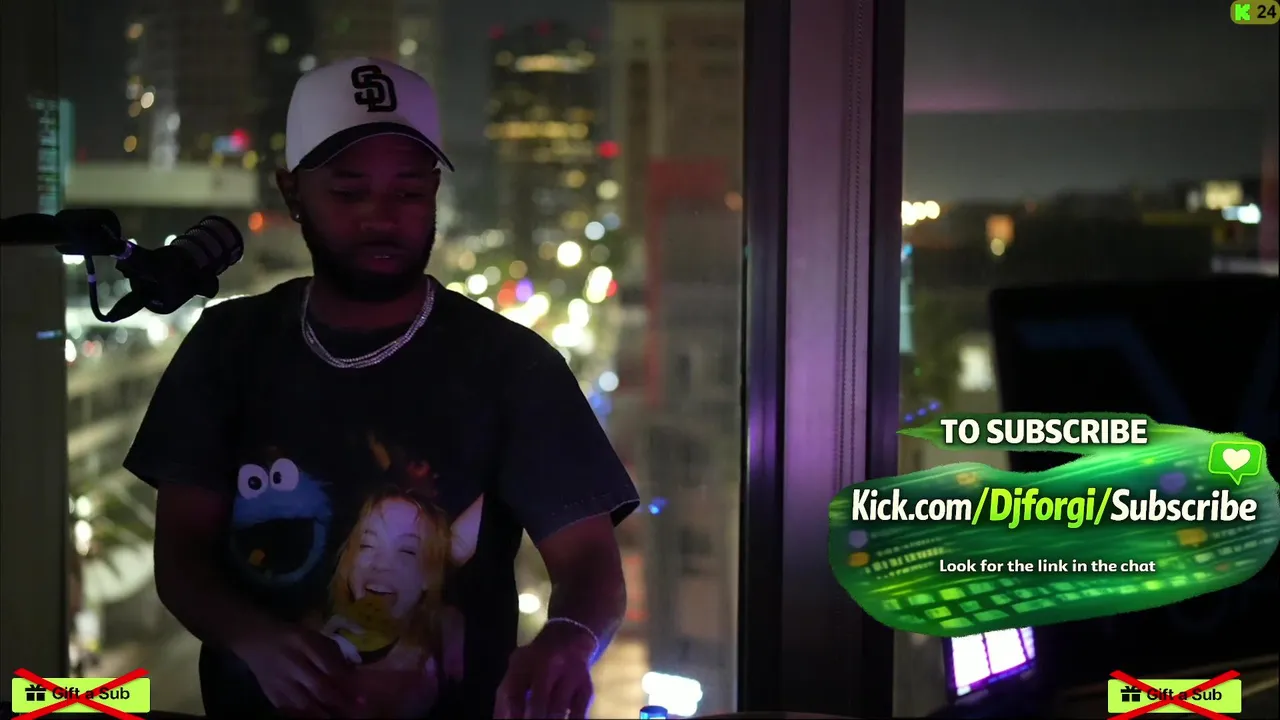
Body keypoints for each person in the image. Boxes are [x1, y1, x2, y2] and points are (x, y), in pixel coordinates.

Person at [125, 57, 639, 719]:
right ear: (292, 192)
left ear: (435, 192)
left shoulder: (511, 366)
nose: (382, 216)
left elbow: (590, 562)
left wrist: (567, 641)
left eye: (409, 191)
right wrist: (254, 639)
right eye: (349, 192)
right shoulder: (228, 346)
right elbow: (180, 557)